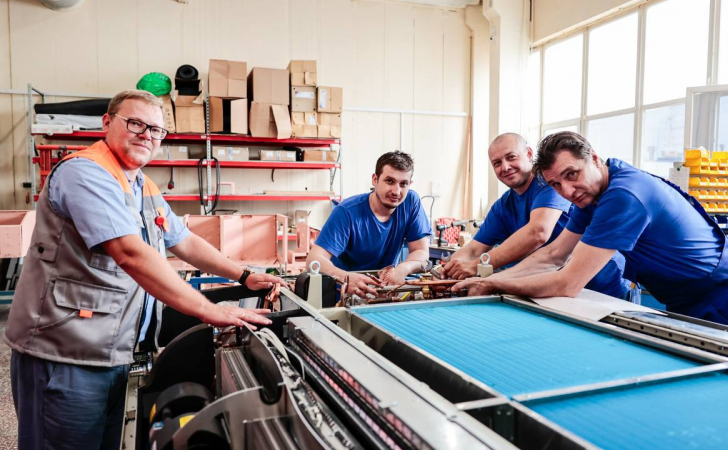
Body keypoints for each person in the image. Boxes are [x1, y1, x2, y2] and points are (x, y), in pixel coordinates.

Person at [4, 90, 288, 450]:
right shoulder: (85, 173)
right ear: (107, 123)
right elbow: (130, 254)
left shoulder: (141, 184)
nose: (146, 135)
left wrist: (244, 275)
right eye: (135, 124)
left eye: (155, 130)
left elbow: (184, 240)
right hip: (65, 354)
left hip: (111, 351)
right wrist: (210, 311)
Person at [454, 131, 728, 333]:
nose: (567, 191)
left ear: (594, 158)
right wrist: (485, 281)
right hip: (684, 301)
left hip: (726, 298)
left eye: (572, 174)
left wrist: (494, 282)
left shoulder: (625, 195)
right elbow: (552, 255)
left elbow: (567, 283)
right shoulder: (591, 197)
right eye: (555, 185)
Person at [443, 133, 630, 299]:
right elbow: (552, 256)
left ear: (529, 154)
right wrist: (446, 271)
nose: (505, 167)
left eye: (511, 157)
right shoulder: (504, 206)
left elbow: (538, 233)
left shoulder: (551, 185)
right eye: (497, 163)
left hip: (602, 287)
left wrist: (480, 268)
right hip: (551, 288)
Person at [307, 151, 432, 297]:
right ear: (375, 179)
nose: (396, 191)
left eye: (403, 184)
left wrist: (403, 268)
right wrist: (345, 278)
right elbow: (314, 259)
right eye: (389, 181)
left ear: (410, 184)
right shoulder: (347, 212)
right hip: (343, 295)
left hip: (383, 293)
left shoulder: (411, 202)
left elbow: (421, 251)